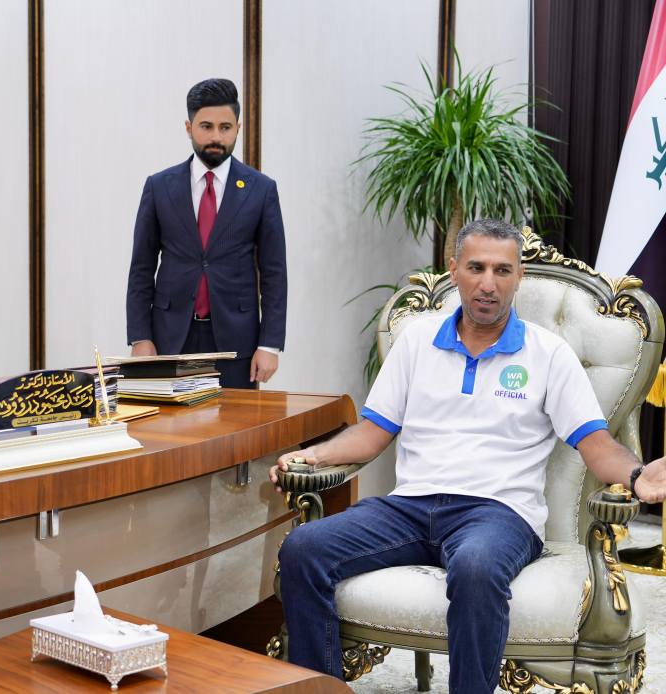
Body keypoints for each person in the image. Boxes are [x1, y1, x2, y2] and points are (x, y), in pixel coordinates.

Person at [268, 219, 666, 692]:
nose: (488, 283)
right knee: (303, 549)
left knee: (476, 568)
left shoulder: (549, 355)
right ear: (454, 269)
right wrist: (315, 455)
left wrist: (638, 475)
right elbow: (372, 434)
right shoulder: (417, 341)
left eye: (502, 270)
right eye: (476, 268)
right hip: (409, 508)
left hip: (499, 514)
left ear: (519, 277)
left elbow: (595, 445)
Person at [125, 78, 287, 388]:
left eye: (225, 127)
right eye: (206, 126)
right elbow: (141, 268)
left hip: (237, 342)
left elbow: (274, 273)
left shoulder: (261, 189)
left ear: (238, 128)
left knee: (235, 420)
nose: (216, 136)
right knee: (171, 420)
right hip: (169, 338)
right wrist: (140, 337)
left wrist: (269, 345)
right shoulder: (159, 187)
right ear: (189, 128)